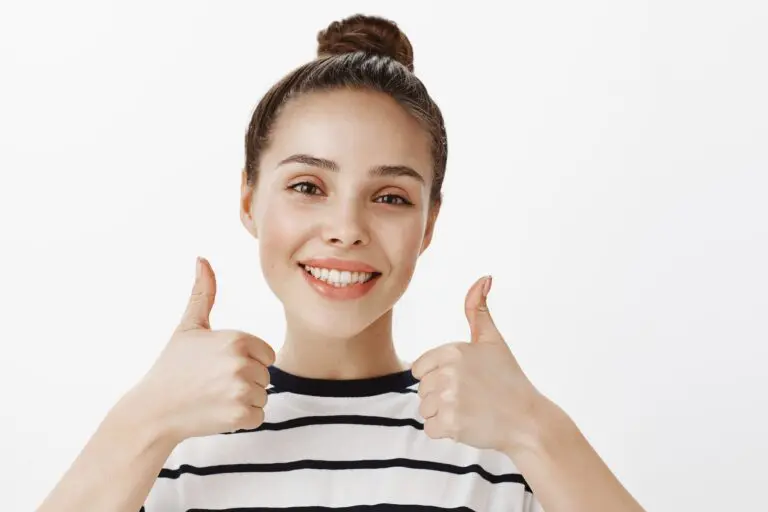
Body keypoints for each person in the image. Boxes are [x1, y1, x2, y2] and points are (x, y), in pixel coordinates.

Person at [36, 14, 647, 512]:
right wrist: (140, 421)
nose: (347, 231)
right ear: (249, 200)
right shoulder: (166, 450)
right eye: (308, 186)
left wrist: (537, 429)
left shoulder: (502, 453)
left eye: (390, 198)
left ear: (428, 225)